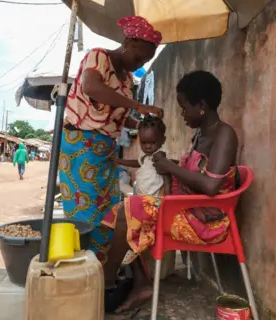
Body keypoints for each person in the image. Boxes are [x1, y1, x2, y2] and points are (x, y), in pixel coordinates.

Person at [102, 71, 239, 312]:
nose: (182, 114)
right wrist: (171, 164)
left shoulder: (224, 134)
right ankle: (137, 283)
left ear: (202, 106)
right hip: (184, 209)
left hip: (205, 222)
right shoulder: (201, 135)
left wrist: (170, 167)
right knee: (121, 212)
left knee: (129, 210)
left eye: (184, 108)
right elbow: (197, 171)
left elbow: (210, 185)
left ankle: (105, 282)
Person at [59, 15, 164, 268]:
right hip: (80, 145)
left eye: (146, 61)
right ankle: (80, 268)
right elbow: (92, 88)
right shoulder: (99, 57)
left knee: (109, 210)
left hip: (106, 150)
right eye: (139, 57)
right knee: (85, 210)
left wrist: (141, 125)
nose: (140, 63)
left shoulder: (127, 80)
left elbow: (118, 116)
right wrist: (139, 105)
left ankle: (101, 270)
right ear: (128, 41)